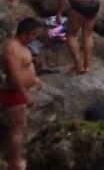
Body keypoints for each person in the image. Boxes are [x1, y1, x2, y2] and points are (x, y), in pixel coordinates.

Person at [2, 18, 44, 170]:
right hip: (13, 92)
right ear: (24, 34)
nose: (35, 37)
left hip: (18, 92)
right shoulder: (12, 48)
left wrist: (35, 79)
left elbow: (25, 67)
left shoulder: (23, 46)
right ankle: (15, 162)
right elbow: (13, 76)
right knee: (18, 128)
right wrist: (25, 94)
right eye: (33, 34)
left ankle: (15, 160)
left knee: (20, 128)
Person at [56, 0, 102, 74]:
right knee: (87, 34)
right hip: (95, 3)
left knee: (71, 35)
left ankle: (78, 66)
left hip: (80, 5)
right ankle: (87, 65)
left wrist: (59, 13)